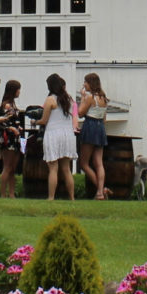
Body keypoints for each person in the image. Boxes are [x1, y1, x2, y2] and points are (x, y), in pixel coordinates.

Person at [38, 73, 77, 202]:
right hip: (68, 135)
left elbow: (44, 120)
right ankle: (72, 198)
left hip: (53, 134)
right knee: (66, 169)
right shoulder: (69, 99)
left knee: (53, 168)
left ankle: (51, 197)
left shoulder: (50, 99)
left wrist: (35, 122)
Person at [77, 72, 109, 199]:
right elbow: (104, 118)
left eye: (85, 82)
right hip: (100, 127)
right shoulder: (103, 97)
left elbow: (80, 113)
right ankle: (101, 191)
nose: (84, 85)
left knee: (84, 163)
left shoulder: (90, 97)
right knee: (98, 163)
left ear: (90, 83)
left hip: (90, 126)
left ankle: (101, 189)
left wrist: (82, 98)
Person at [0, 80, 23, 198]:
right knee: (7, 166)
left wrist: (19, 127)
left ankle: (12, 193)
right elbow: (2, 122)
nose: (19, 92)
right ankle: (3, 194)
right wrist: (11, 128)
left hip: (16, 138)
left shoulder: (13, 104)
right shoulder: (6, 105)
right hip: (8, 139)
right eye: (18, 89)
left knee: (13, 168)